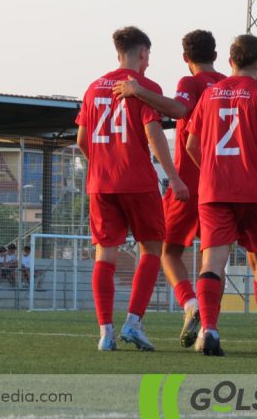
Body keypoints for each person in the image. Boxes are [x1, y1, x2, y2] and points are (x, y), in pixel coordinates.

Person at [76, 26, 189, 352]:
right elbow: (154, 135)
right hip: (137, 181)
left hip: (100, 184)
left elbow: (82, 140)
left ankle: (105, 333)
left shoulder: (94, 87)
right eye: (148, 56)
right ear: (142, 54)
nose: (148, 62)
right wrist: (174, 177)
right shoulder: (143, 88)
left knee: (104, 256)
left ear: (117, 52)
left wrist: (101, 164)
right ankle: (133, 323)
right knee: (152, 250)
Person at [113, 29, 226, 348]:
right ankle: (212, 328)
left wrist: (138, 92)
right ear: (216, 56)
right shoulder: (228, 86)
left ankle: (191, 305)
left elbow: (177, 109)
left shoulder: (188, 83)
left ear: (185, 58)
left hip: (190, 179)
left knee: (166, 250)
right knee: (214, 259)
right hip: (224, 183)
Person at [186, 34, 257, 356]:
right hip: (254, 190)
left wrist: (210, 170)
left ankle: (209, 330)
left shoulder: (209, 94)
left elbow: (192, 145)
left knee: (212, 263)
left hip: (214, 191)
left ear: (230, 60)